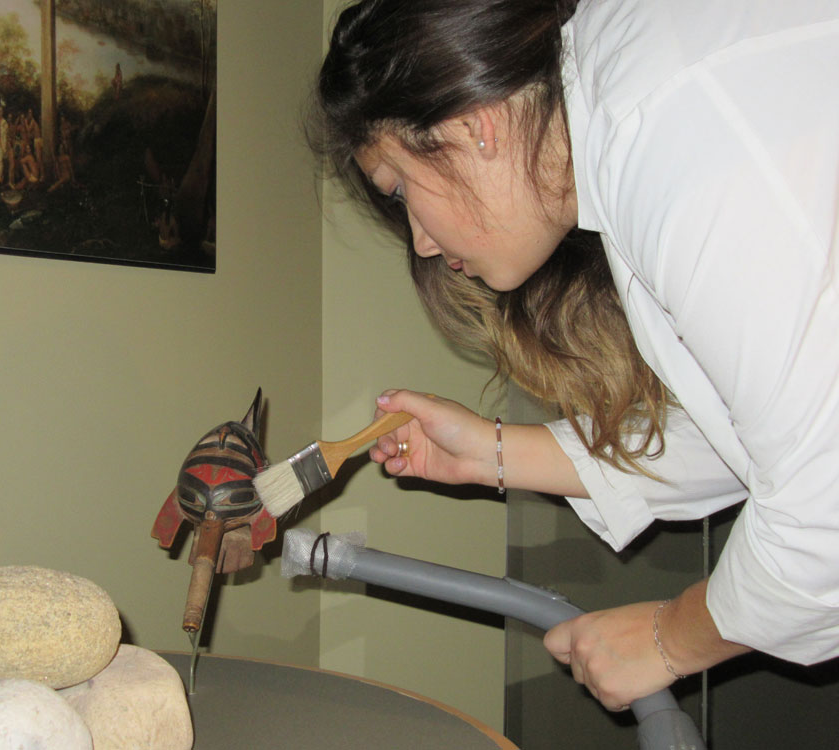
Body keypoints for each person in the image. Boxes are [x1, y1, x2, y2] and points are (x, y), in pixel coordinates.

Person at [313, 0, 839, 713]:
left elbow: (824, 498)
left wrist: (669, 638)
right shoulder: (631, 106)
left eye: (400, 189)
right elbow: (753, 432)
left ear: (472, 125)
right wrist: (493, 454)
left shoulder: (668, 130)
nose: (424, 243)